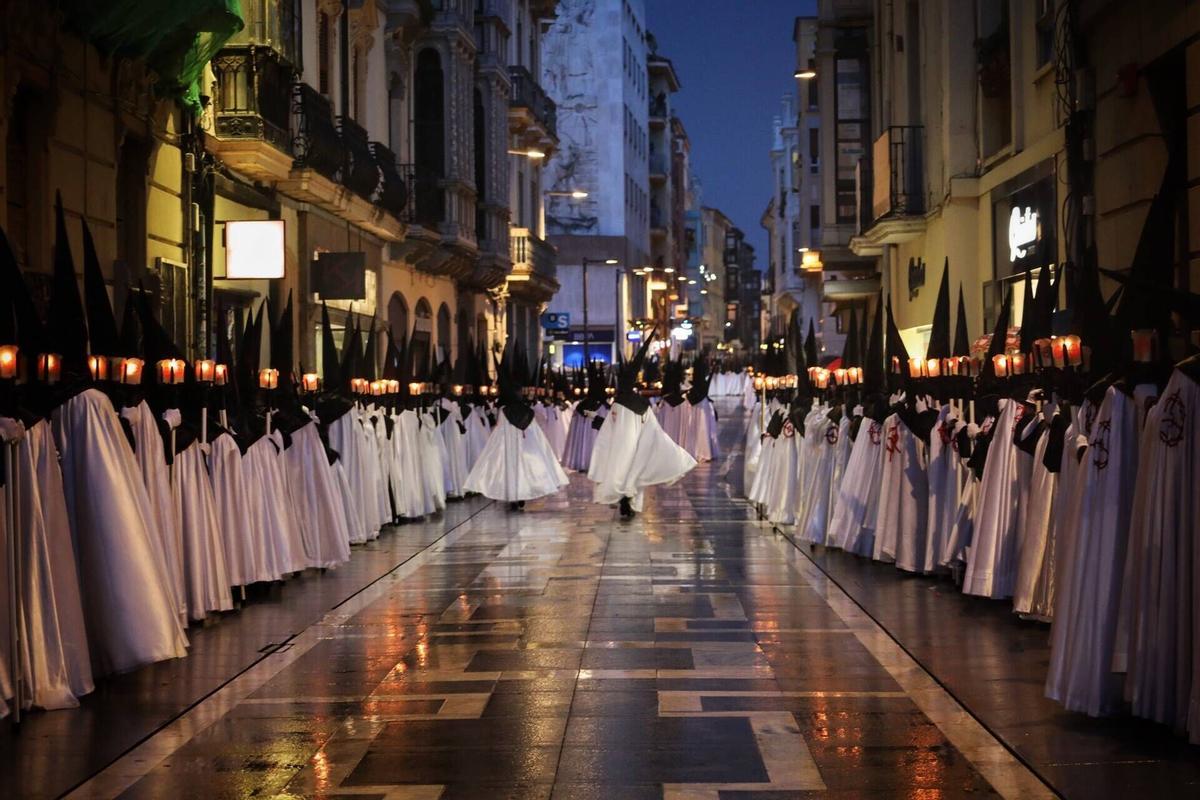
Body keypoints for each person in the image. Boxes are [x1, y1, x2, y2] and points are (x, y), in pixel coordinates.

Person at [588, 332, 696, 518]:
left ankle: (625, 501)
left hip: (620, 450)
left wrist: (595, 420)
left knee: (622, 475)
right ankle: (630, 503)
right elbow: (653, 429)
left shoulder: (617, 404)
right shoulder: (642, 404)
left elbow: (610, 427)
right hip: (638, 447)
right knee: (635, 476)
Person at [463, 341, 569, 509]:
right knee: (523, 468)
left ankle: (514, 495)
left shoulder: (505, 411)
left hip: (509, 448)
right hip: (524, 446)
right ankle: (519, 495)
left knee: (511, 469)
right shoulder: (526, 411)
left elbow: (499, 430)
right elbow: (534, 432)